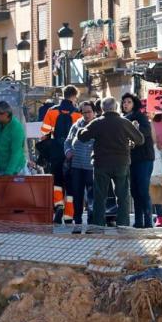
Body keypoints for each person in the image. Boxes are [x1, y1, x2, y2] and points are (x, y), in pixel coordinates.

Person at [79, 97, 144, 228]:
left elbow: (82, 137)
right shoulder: (124, 122)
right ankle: (123, 225)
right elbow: (140, 140)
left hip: (101, 164)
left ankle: (98, 225)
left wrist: (83, 127)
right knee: (123, 196)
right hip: (121, 163)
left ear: (102, 109)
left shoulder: (97, 123)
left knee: (99, 197)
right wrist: (135, 129)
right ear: (116, 107)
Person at [121, 93, 156, 228]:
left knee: (142, 190)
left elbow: (145, 132)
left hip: (145, 158)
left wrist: (133, 129)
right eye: (124, 102)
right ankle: (138, 221)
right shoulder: (123, 119)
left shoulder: (140, 117)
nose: (126, 104)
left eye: (129, 102)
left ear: (134, 103)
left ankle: (148, 222)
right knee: (134, 191)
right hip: (131, 160)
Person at [65, 100, 100, 232]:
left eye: (89, 112)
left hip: (91, 167)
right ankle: (78, 222)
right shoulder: (76, 125)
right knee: (77, 196)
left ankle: (91, 223)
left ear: (94, 112)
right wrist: (68, 151)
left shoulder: (98, 125)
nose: (86, 115)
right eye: (84, 112)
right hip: (77, 166)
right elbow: (68, 142)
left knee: (92, 196)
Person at [41, 86, 82, 194]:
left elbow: (44, 133)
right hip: (72, 152)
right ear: (74, 96)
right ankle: (71, 207)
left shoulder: (52, 111)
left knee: (57, 180)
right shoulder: (78, 113)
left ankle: (58, 206)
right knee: (71, 180)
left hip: (55, 151)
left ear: (64, 95)